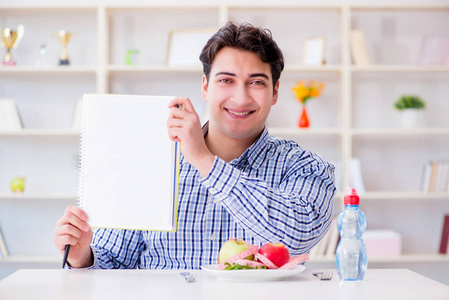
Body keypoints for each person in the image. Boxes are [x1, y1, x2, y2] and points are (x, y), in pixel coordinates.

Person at [54, 22, 335, 269]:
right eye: (226, 80)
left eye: (256, 82)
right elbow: (114, 261)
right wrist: (83, 257)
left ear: (274, 92)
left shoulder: (307, 167)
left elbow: (295, 236)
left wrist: (203, 160)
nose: (240, 97)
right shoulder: (151, 162)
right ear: (205, 87)